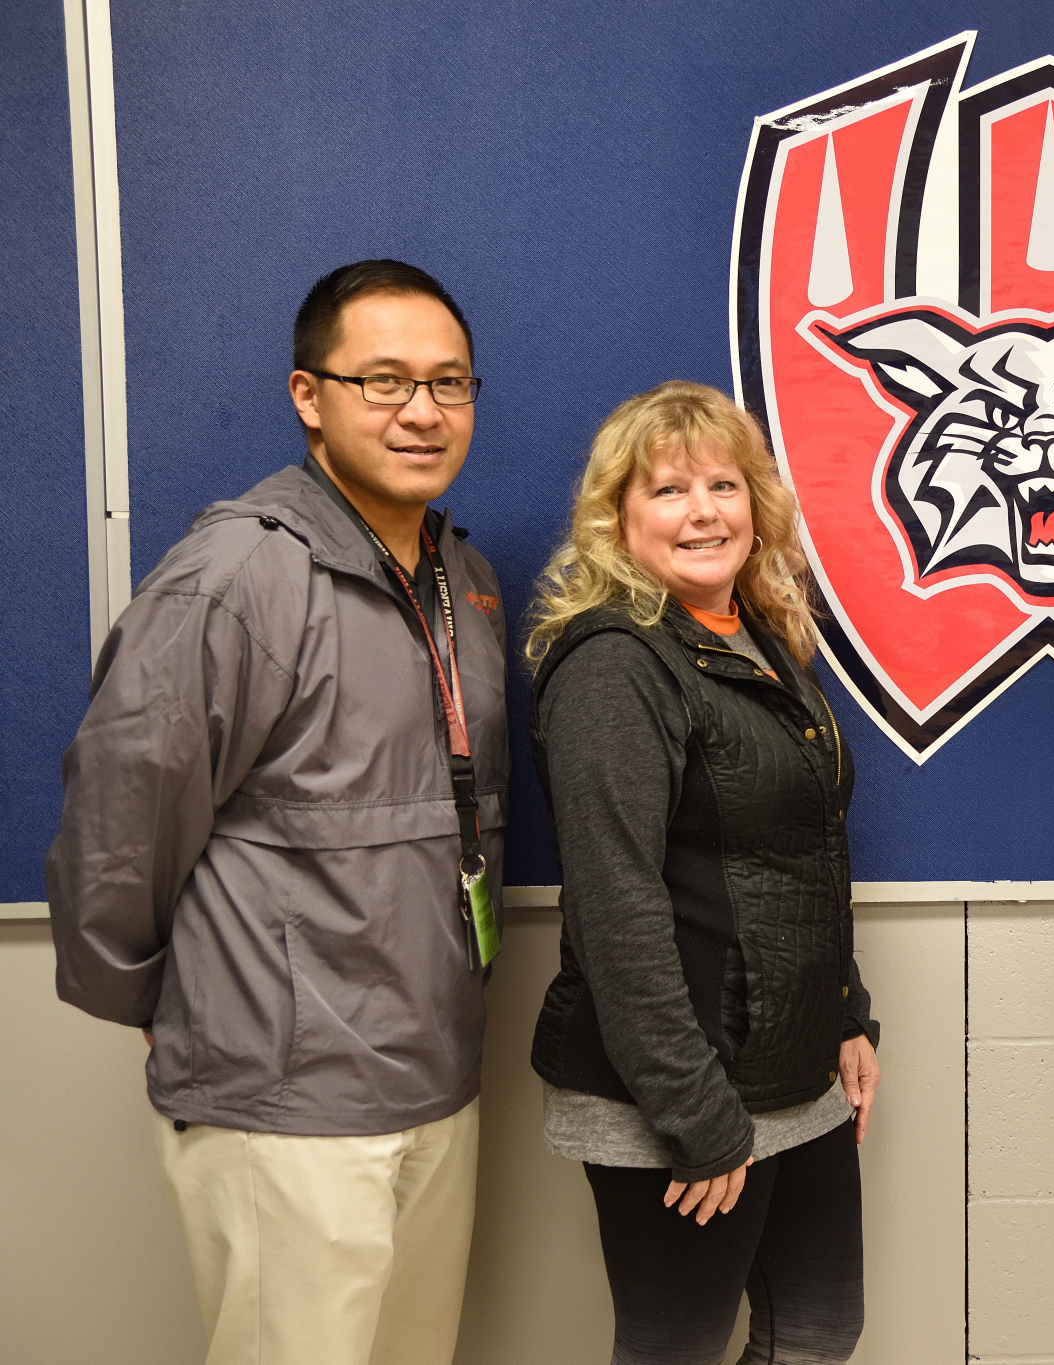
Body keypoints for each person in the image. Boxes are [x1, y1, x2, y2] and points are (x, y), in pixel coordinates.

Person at [46, 259, 508, 1365]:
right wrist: (168, 1004)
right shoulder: (238, 576)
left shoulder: (464, 577)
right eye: (382, 381)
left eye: (449, 384)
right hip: (283, 1098)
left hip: (435, 1076)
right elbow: (118, 819)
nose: (421, 412)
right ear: (309, 396)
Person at [524, 380, 880, 1365]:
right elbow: (616, 906)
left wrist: (845, 1013)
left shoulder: (763, 640)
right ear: (615, 520)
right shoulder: (614, 666)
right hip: (681, 1092)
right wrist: (695, 1116)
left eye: (724, 485)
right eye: (669, 491)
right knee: (672, 1348)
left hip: (792, 1071)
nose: (704, 512)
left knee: (816, 1330)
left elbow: (800, 854)